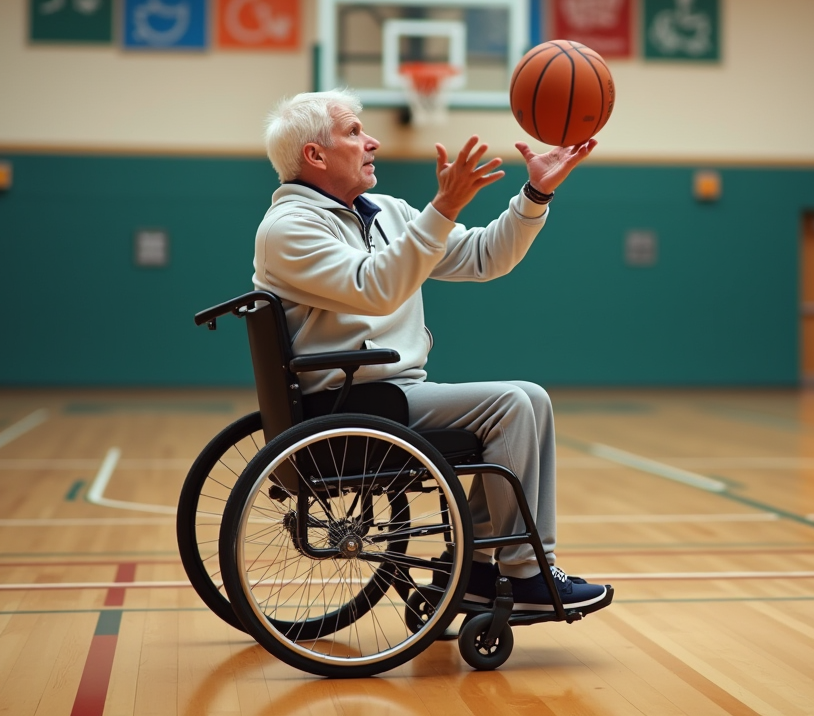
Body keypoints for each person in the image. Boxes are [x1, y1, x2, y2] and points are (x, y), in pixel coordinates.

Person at [253, 89, 609, 613]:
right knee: (516, 401)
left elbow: (487, 256)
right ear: (315, 155)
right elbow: (375, 286)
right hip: (346, 406)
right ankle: (525, 573)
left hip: (391, 395)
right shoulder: (288, 229)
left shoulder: (387, 213)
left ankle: (481, 572)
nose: (371, 141)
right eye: (353, 132)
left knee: (527, 401)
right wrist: (443, 205)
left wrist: (535, 194)